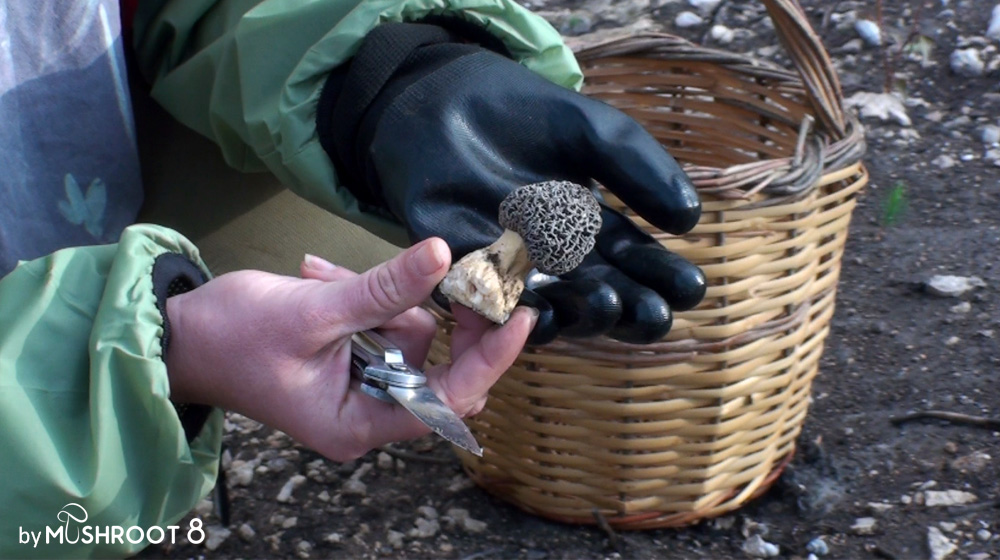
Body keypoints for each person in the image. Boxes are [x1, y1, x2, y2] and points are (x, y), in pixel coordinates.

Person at [0, 0, 705, 557]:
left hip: (86, 164)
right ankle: (101, 464)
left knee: (368, 230)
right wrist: (162, 351)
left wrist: (384, 70)